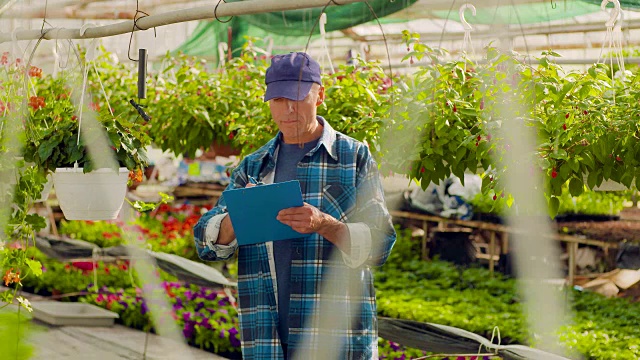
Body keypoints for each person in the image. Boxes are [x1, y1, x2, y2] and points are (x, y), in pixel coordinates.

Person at [193, 52, 396, 360]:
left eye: (298, 97)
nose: (287, 109)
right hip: (268, 337)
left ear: (321, 94)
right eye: (277, 99)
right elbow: (205, 244)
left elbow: (380, 245)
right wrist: (237, 217)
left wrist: (325, 224)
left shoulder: (354, 158)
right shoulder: (254, 166)